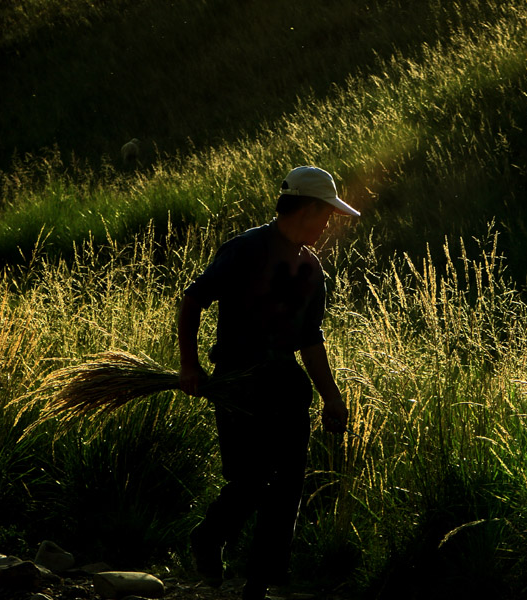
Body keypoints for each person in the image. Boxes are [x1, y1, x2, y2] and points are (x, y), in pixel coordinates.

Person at [178, 166, 360, 599]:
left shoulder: (312, 269)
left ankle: (260, 585)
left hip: (287, 386)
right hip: (238, 381)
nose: (328, 224)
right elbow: (192, 301)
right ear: (309, 208)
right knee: (251, 478)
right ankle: (208, 538)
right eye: (326, 215)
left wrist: (330, 396)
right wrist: (189, 366)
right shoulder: (245, 250)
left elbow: (310, 339)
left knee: (288, 485)